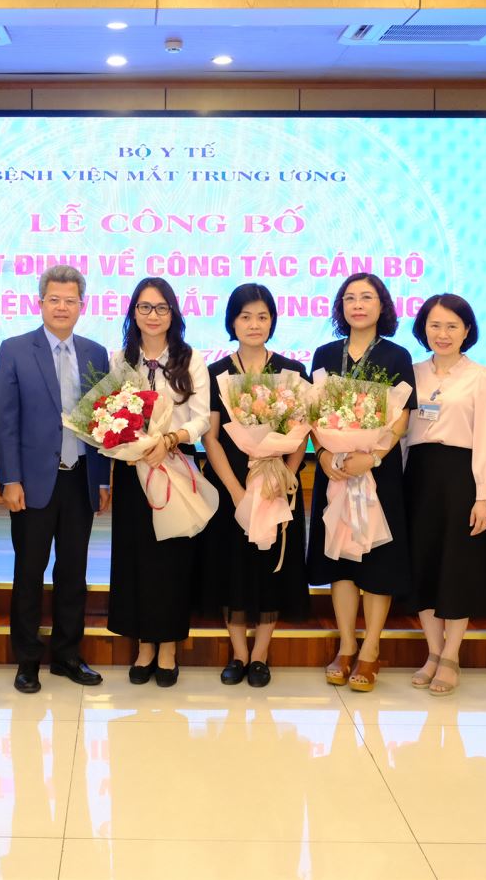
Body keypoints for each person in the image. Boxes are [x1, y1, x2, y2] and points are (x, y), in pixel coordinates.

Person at [0, 265, 111, 694]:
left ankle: (67, 655)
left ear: (82, 305)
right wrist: (10, 478)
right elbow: (7, 422)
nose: (62, 307)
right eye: (54, 299)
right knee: (29, 572)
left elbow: (105, 422)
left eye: (71, 300)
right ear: (40, 302)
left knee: (73, 573)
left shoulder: (96, 353)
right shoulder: (14, 349)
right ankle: (27, 660)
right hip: (32, 482)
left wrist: (103, 481)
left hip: (80, 479)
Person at [307, 273, 415, 692]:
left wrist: (375, 455)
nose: (357, 304)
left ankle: (371, 649)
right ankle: (346, 646)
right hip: (334, 471)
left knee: (377, 562)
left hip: (377, 473)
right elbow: (311, 414)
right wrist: (324, 453)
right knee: (341, 561)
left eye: (366, 297)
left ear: (381, 305)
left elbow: (402, 415)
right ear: (341, 307)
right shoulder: (325, 353)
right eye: (349, 298)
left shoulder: (396, 355)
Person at [198, 283, 310, 689]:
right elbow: (211, 437)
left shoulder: (292, 372)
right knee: (232, 566)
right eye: (245, 316)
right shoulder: (216, 372)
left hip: (277, 487)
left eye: (262, 316)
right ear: (232, 322)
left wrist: (287, 478)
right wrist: (235, 491)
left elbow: (302, 434)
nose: (254, 324)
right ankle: (239, 654)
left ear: (272, 321)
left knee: (269, 568)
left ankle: (260, 654)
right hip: (231, 485)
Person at [108, 277, 211, 688]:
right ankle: (144, 646)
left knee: (172, 559)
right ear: (133, 313)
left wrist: (170, 439)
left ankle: (167, 646)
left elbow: (201, 419)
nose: (153, 315)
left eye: (161, 307)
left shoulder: (191, 359)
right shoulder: (120, 360)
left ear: (173, 313)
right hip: (133, 471)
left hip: (174, 465)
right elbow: (107, 414)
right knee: (135, 558)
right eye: (145, 307)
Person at [402, 294, 486, 697]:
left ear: (466, 331)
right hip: (419, 477)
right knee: (423, 566)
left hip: (462, 477)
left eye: (451, 326)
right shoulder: (411, 373)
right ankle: (433, 651)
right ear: (423, 328)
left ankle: (451, 655)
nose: (442, 334)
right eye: (434, 325)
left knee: (457, 568)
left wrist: (485, 496)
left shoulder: (482, 377)